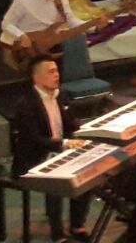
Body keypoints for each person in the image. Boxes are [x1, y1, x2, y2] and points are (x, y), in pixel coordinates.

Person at [11, 56, 92, 243]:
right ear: (36, 78)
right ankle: (58, 234)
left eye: (56, 71)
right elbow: (34, 140)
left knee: (87, 172)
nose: (57, 75)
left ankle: (77, 224)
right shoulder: (25, 105)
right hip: (35, 157)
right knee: (56, 180)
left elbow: (70, 125)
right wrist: (63, 144)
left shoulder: (61, 95)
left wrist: (88, 131)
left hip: (59, 150)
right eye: (51, 72)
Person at [1, 0, 108, 54]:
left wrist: (94, 27)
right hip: (31, 49)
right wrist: (21, 36)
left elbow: (71, 21)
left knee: (78, 41)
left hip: (55, 44)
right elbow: (6, 24)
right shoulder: (22, 0)